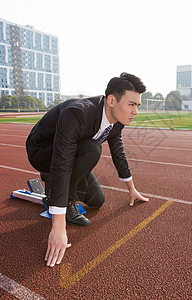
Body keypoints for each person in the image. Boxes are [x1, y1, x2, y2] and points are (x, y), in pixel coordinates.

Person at [26, 72, 150, 267]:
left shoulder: (116, 123)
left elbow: (118, 153)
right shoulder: (77, 113)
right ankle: (63, 199)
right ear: (111, 100)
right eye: (131, 104)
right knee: (92, 148)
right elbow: (61, 162)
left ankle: (51, 181)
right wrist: (58, 226)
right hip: (43, 152)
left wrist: (131, 189)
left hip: (71, 153)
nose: (136, 111)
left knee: (97, 201)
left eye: (138, 105)